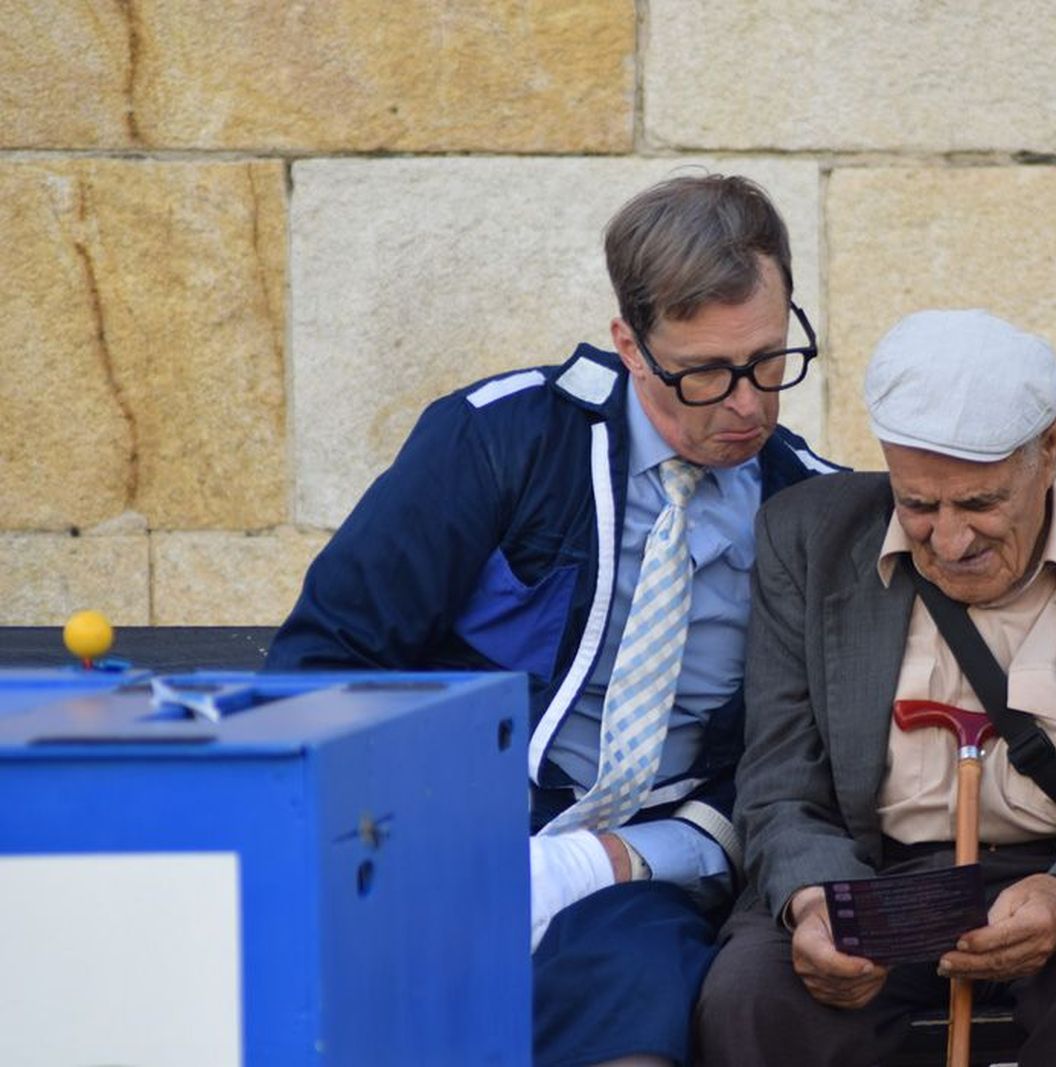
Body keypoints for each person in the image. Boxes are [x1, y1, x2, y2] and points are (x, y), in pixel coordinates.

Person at [266, 174, 840, 1067]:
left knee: (635, 1011)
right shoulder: (499, 440)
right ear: (630, 345)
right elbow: (324, 661)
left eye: (770, 360)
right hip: (442, 831)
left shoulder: (810, 509)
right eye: (705, 373)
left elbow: (801, 761)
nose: (749, 404)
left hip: (648, 871)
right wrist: (398, 838)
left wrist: (618, 858)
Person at [695, 309, 1056, 1067]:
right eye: (917, 505)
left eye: (980, 503)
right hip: (875, 877)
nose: (949, 540)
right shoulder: (805, 538)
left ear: (1051, 445)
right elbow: (779, 778)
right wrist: (817, 900)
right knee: (753, 993)